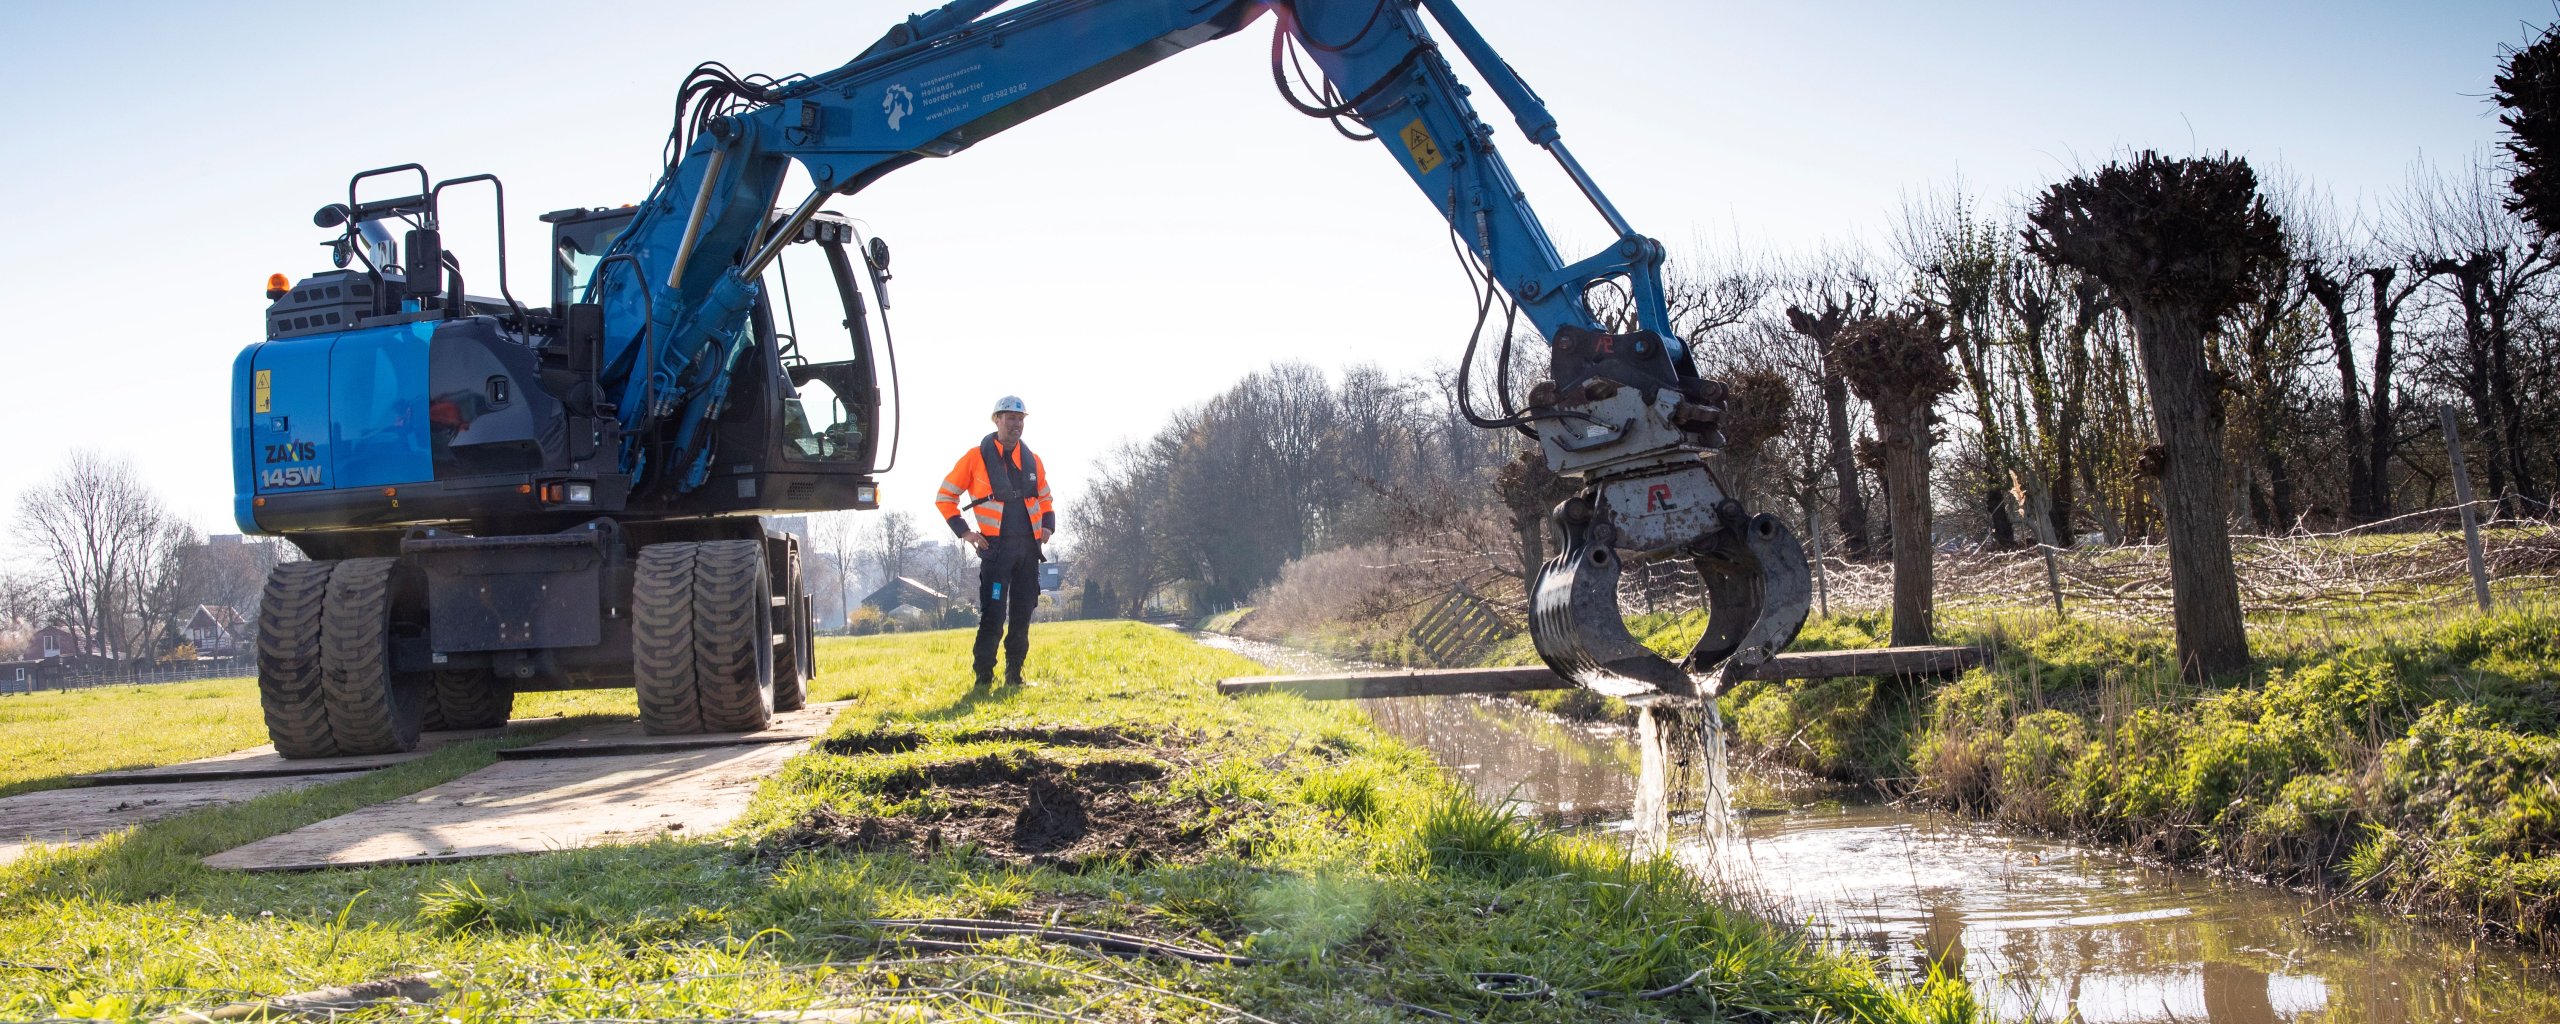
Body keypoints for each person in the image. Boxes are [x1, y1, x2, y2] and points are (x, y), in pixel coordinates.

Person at [933, 395, 1055, 687]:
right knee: (993, 616)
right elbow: (945, 496)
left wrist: (1048, 526)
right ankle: (983, 679)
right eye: (1011, 418)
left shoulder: (1033, 460)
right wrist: (965, 532)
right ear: (997, 420)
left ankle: (1014, 676)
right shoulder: (975, 457)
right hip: (996, 552)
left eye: (1020, 419)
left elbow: (1045, 498)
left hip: (1028, 551)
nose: (1016, 424)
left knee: (1022, 616)